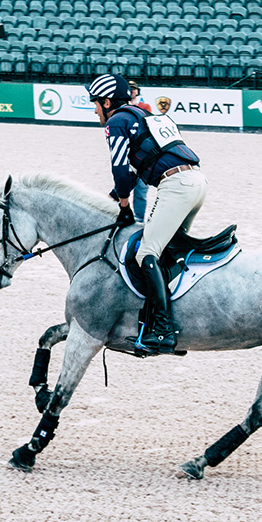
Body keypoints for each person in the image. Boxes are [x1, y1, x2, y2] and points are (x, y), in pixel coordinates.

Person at [89, 73, 206, 356]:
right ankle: (172, 322)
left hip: (175, 186)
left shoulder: (117, 122)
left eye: (95, 104)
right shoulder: (143, 114)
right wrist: (117, 192)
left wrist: (124, 205)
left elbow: (119, 167)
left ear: (107, 102)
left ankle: (165, 331)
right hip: (196, 181)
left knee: (146, 254)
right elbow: (139, 165)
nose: (94, 110)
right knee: (168, 252)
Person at [127, 80, 152, 222]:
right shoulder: (124, 107)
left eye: (134, 89)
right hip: (129, 152)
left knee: (141, 191)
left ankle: (139, 219)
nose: (132, 91)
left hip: (142, 153)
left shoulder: (145, 106)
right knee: (122, 188)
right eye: (130, 89)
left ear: (137, 91)